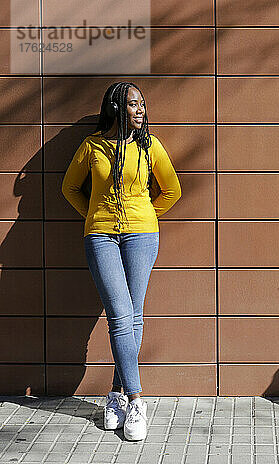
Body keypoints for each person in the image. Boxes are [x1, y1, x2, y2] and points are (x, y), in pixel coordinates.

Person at [62, 82, 181, 440]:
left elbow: (172, 190)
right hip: (100, 236)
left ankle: (115, 396)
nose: (141, 110)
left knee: (133, 315)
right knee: (120, 315)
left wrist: (145, 216)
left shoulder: (150, 147)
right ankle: (136, 399)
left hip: (142, 235)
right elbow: (69, 188)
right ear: (115, 108)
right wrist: (94, 216)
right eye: (133, 104)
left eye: (142, 104)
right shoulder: (92, 146)